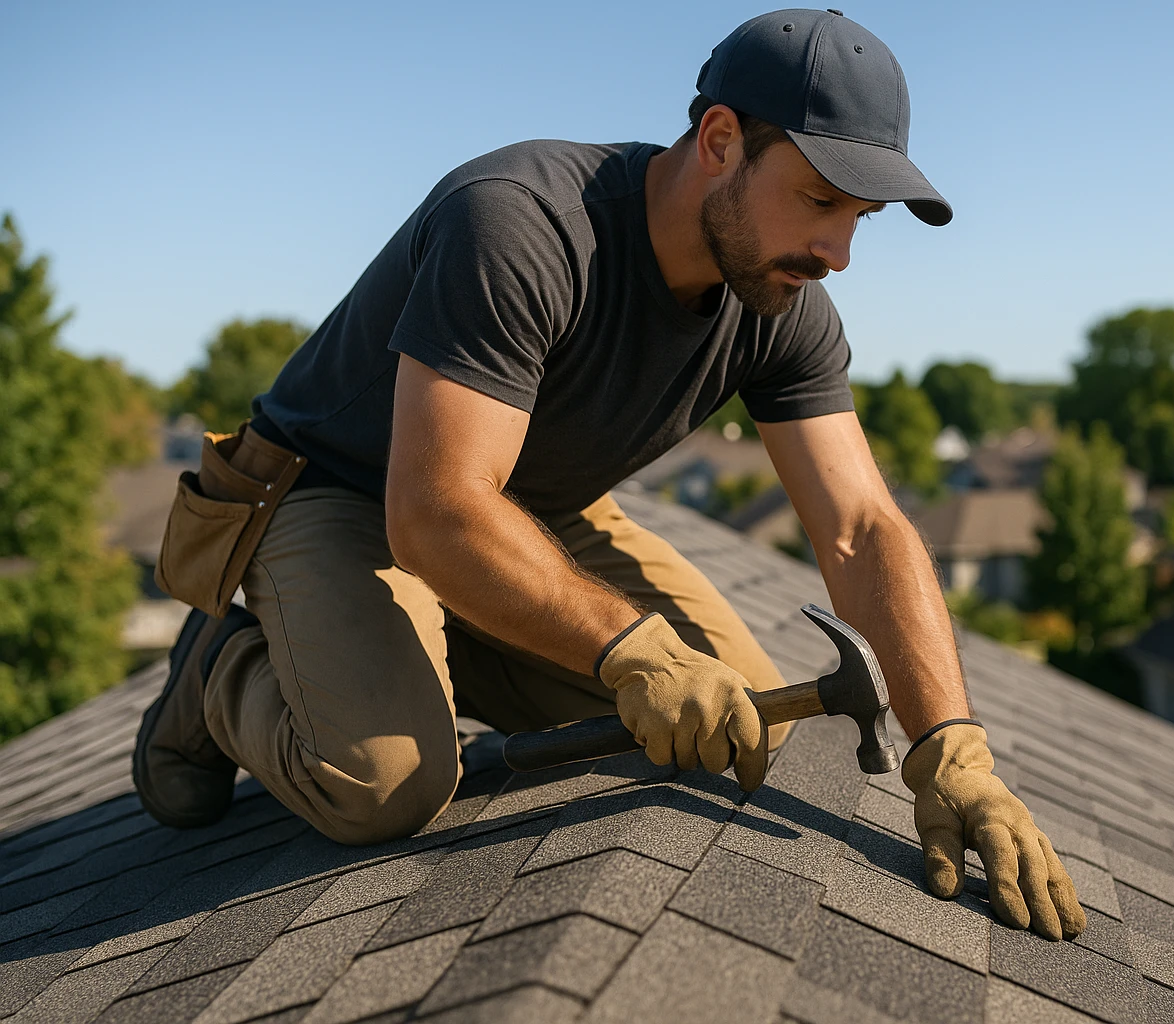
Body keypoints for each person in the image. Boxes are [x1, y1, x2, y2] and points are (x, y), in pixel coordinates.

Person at [134, 9, 1086, 941]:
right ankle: (226, 660)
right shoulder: (521, 223)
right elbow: (434, 510)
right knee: (387, 784)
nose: (837, 254)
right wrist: (637, 652)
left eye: (861, 218)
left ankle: (410, 651)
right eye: (821, 200)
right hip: (341, 496)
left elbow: (861, 528)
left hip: (524, 512)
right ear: (720, 140)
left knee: (739, 724)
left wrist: (953, 752)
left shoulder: (782, 301)